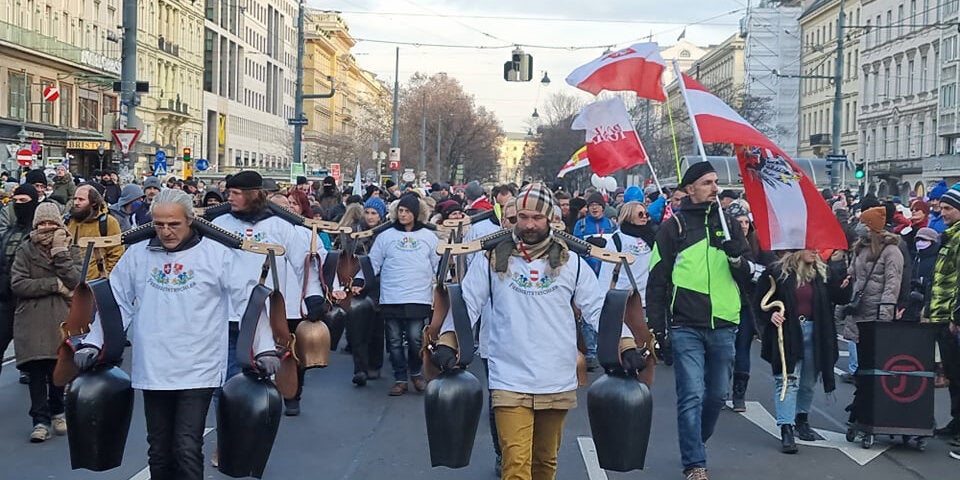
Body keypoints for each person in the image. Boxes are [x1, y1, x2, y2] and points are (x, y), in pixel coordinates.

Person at [431, 184, 646, 480]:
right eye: (523, 217)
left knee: (545, 464)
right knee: (516, 465)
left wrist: (626, 344)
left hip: (556, 377)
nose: (529, 224)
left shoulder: (572, 263)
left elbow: (597, 309)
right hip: (509, 375)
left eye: (537, 218)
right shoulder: (491, 260)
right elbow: (467, 305)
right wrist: (447, 340)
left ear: (550, 219)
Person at [74, 189, 278, 480]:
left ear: (190, 220)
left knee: (185, 446)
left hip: (199, 365)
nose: (166, 232)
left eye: (173, 224)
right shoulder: (138, 254)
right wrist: (94, 343)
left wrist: (265, 348)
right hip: (154, 365)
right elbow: (116, 302)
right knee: (158, 449)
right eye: (159, 224)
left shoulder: (216, 254)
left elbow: (248, 302)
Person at [646, 161, 753, 480]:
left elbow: (748, 275)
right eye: (707, 183)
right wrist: (657, 328)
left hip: (724, 323)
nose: (714, 188)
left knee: (717, 395)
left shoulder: (729, 223)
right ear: (690, 189)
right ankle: (694, 462)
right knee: (691, 393)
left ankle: (695, 440)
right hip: (685, 325)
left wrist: (736, 257)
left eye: (716, 182)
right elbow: (656, 280)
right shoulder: (674, 227)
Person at [211, 171, 313, 418]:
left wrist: (313, 298)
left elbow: (305, 264)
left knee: (259, 377)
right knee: (224, 379)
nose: (229, 198)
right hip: (225, 314)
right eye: (229, 192)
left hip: (265, 316)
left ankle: (252, 430)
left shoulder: (281, 226)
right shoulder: (220, 224)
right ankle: (228, 437)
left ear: (254, 194)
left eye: (235, 193)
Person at [755, 249, 851, 453]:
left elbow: (839, 298)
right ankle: (786, 428)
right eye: (811, 248)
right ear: (797, 248)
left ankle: (801, 419)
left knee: (807, 382)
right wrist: (771, 314)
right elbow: (759, 303)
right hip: (789, 332)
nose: (816, 252)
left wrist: (845, 287)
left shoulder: (823, 273)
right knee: (787, 381)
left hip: (816, 333)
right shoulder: (777, 272)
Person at [11, 203, 82, 442]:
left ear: (60, 224)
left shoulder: (70, 248)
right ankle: (39, 421)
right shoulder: (25, 250)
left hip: (60, 318)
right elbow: (19, 284)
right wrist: (54, 286)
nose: (47, 228)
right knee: (36, 371)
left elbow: (76, 282)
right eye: (42, 223)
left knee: (57, 370)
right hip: (31, 319)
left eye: (51, 223)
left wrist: (60, 254)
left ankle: (57, 411)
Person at [366, 193, 439, 396]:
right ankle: (400, 378)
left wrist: (444, 283)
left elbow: (438, 264)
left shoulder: (428, 237)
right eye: (400, 211)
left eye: (407, 211)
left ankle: (415, 372)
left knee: (416, 339)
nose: (403, 214)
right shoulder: (386, 236)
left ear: (415, 213)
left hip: (418, 296)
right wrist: (360, 282)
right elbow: (373, 263)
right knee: (394, 341)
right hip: (391, 297)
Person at [841, 206, 903, 383]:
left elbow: (892, 284)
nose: (859, 226)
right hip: (859, 306)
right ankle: (860, 384)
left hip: (875, 310)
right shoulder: (860, 247)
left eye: (863, 222)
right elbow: (852, 273)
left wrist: (885, 313)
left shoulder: (891, 251)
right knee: (858, 346)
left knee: (873, 355)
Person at [927, 186, 960, 446]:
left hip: (953, 319)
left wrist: (956, 318)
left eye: (948, 208)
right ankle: (956, 421)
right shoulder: (950, 236)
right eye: (942, 207)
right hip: (941, 315)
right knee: (952, 373)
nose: (942, 211)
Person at [0, 185, 39, 381]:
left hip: (31, 301)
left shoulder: (40, 233)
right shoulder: (8, 233)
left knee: (35, 355)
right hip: (6, 299)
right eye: (16, 201)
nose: (18, 205)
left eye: (24, 201)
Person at [66, 185, 124, 281]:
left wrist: (105, 278)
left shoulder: (108, 222)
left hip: (96, 283)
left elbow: (116, 254)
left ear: (93, 202)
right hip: (71, 283)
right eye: (75, 199)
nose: (76, 203)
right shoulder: (68, 221)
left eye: (81, 199)